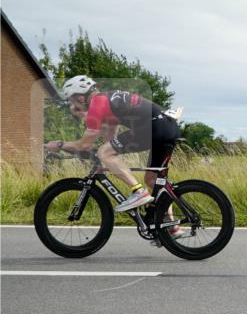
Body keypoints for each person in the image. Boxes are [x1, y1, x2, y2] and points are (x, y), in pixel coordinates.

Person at [47, 75, 181, 215]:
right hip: (168, 126)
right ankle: (171, 225)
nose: (72, 105)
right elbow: (109, 138)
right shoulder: (107, 100)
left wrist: (60, 144)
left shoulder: (97, 103)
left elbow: (84, 145)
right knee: (152, 180)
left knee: (104, 152)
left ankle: (138, 192)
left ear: (80, 98)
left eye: (71, 100)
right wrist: (105, 159)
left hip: (155, 127)